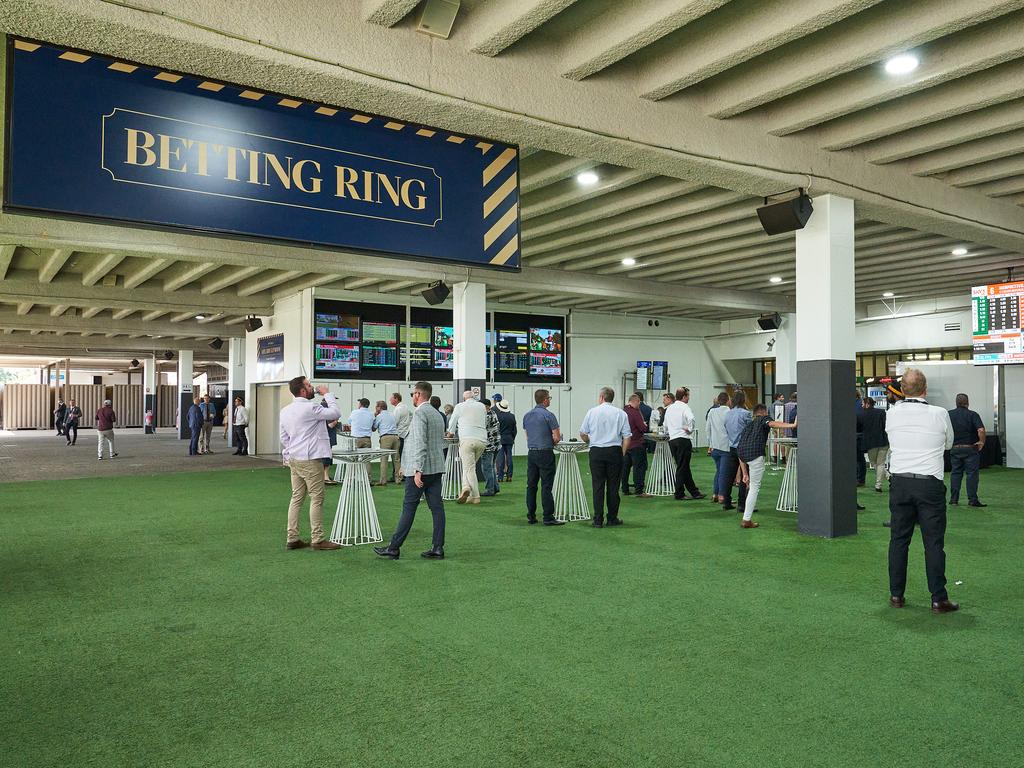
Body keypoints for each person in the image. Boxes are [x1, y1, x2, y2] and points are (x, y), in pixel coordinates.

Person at [885, 368, 957, 613]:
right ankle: (938, 599)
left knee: (898, 541)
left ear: (902, 390)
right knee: (933, 543)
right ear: (925, 390)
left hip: (900, 483)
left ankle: (896, 596)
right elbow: (949, 443)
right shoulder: (940, 413)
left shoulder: (891, 414)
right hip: (929, 485)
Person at [374, 380, 446, 560]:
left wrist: (417, 470)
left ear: (418, 395)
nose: (412, 396)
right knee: (437, 509)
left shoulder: (421, 413)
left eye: (413, 393)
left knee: (408, 508)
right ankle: (437, 547)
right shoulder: (437, 414)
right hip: (436, 468)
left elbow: (421, 442)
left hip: (420, 471)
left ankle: (394, 547)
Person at [279, 376, 342, 551]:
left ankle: (292, 537)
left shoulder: (285, 411)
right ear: (302, 390)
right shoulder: (311, 407)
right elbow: (335, 413)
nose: (312, 387)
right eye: (308, 385)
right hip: (310, 459)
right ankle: (318, 538)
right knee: (317, 498)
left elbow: (284, 438)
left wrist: (295, 448)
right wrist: (328, 394)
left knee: (297, 498)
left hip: (294, 458)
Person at [736, 404, 797, 528]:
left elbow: (740, 449)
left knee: (751, 486)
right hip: (755, 455)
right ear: (763, 412)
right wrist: (792, 425)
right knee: (754, 488)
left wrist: (744, 473)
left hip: (743, 455)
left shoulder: (748, 426)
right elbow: (772, 424)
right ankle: (746, 519)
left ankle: (746, 518)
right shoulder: (763, 419)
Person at [580, 387, 631, 527]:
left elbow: (583, 433)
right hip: (614, 451)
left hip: (596, 451)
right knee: (613, 487)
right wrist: (622, 452)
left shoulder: (592, 412)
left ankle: (597, 519)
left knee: (598, 486)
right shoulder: (621, 413)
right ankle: (612, 518)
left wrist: (590, 441)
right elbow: (627, 437)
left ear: (601, 397)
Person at [522, 389, 564, 526]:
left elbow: (527, 436)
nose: (550, 400)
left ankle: (531, 515)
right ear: (545, 400)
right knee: (546, 485)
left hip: (532, 452)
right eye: (549, 398)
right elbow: (557, 437)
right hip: (545, 452)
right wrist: (552, 441)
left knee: (531, 485)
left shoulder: (527, 416)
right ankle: (548, 516)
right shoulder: (549, 415)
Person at [663, 386, 705, 501]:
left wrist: (670, 432)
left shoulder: (669, 408)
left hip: (673, 440)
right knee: (682, 467)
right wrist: (690, 429)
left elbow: (665, 425)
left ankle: (694, 492)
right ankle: (679, 493)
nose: (689, 398)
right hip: (683, 439)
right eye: (688, 396)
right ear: (684, 396)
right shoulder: (685, 407)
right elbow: (691, 419)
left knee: (683, 466)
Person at [447, 391, 488, 504]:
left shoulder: (460, 406)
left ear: (464, 398)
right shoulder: (481, 406)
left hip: (467, 439)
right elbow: (484, 421)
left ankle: (476, 496)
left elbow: (452, 422)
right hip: (482, 440)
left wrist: (450, 433)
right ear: (473, 397)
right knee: (468, 466)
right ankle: (466, 489)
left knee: (469, 468)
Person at [948, 393, 987, 507]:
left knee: (955, 473)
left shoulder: (949, 414)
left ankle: (954, 499)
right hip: (970, 449)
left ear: (956, 402)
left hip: (954, 449)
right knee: (972, 475)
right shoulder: (973, 415)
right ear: (967, 402)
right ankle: (972, 500)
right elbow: (981, 430)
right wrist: (981, 442)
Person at [721, 390, 751, 511]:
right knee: (745, 476)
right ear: (743, 400)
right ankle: (742, 504)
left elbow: (725, 427)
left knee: (729, 475)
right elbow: (750, 429)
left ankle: (727, 502)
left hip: (731, 447)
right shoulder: (746, 413)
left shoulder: (728, 413)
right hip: (743, 448)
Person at [621, 393, 650, 498]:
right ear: (636, 401)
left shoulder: (623, 411)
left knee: (625, 468)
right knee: (639, 468)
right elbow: (642, 428)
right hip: (637, 444)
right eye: (639, 402)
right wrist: (645, 425)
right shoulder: (635, 412)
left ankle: (625, 488)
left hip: (625, 444)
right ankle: (639, 490)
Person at [705, 392, 731, 503]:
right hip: (726, 447)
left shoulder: (712, 411)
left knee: (719, 471)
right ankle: (722, 496)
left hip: (715, 447)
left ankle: (716, 494)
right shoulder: (730, 413)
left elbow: (707, 429)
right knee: (724, 473)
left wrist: (710, 444)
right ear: (728, 400)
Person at [859, 397, 888, 492]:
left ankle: (881, 483)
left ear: (867, 403)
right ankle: (883, 481)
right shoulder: (882, 412)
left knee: (875, 463)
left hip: (870, 443)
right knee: (881, 463)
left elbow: (859, 428)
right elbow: (886, 426)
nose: (862, 405)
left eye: (863, 403)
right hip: (883, 440)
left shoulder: (861, 414)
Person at [373, 400, 401, 485]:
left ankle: (383, 480)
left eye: (376, 406)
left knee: (384, 459)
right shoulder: (392, 414)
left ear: (379, 407)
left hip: (386, 437)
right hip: (396, 437)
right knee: (396, 459)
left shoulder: (379, 416)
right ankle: (398, 479)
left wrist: (375, 416)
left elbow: (374, 428)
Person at [481, 398, 501, 496]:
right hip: (497, 444)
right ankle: (495, 487)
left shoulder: (486, 415)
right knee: (492, 466)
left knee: (487, 468)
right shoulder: (493, 412)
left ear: (486, 406)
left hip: (489, 445)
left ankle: (490, 489)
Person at [391, 392, 412, 479]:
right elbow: (411, 416)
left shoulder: (398, 409)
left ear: (396, 399)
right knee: (404, 455)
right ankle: (404, 473)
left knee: (397, 457)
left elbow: (394, 422)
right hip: (406, 434)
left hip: (399, 434)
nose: (390, 400)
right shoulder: (406, 407)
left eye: (391, 398)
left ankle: (398, 474)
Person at [495, 398, 517, 482]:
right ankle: (509, 476)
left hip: (500, 438)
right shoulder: (512, 416)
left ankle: (500, 477)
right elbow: (514, 430)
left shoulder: (498, 416)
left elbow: (496, 429)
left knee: (500, 458)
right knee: (509, 457)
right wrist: (512, 437)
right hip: (509, 439)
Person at [322, 387, 340, 486]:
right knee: (327, 458)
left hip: (324, 438)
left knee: (325, 457)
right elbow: (330, 425)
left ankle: (324, 476)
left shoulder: (321, 408)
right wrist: (336, 420)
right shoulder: (327, 409)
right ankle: (325, 477)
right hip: (327, 437)